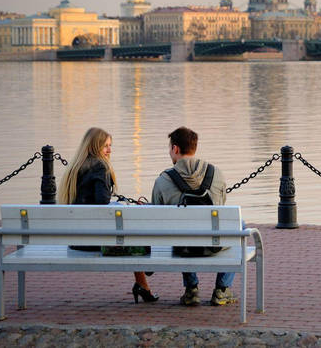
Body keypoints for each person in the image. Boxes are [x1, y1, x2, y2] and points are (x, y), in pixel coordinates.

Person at [60, 127, 158, 304]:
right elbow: (103, 203)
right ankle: (146, 261)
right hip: (94, 241)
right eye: (106, 146)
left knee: (127, 226)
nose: (110, 150)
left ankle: (143, 286)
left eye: (110, 145)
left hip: (76, 240)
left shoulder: (75, 168)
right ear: (95, 147)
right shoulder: (100, 167)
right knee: (133, 227)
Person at [151, 126, 236, 307]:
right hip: (213, 244)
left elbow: (156, 218)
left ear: (175, 149)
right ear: (194, 148)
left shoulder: (162, 180)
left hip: (183, 247)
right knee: (238, 227)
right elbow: (221, 205)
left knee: (181, 232)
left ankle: (191, 289)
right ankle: (222, 290)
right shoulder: (217, 174)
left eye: (169, 149)